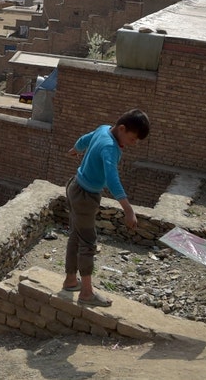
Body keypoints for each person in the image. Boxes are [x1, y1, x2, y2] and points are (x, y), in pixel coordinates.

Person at [62, 109, 150, 307]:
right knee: (88, 243)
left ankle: (70, 280)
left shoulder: (103, 130)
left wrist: (75, 149)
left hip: (74, 185)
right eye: (132, 138)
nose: (133, 143)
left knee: (76, 235)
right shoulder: (110, 148)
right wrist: (128, 209)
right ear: (122, 128)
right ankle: (86, 293)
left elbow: (84, 140)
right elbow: (112, 178)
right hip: (86, 196)